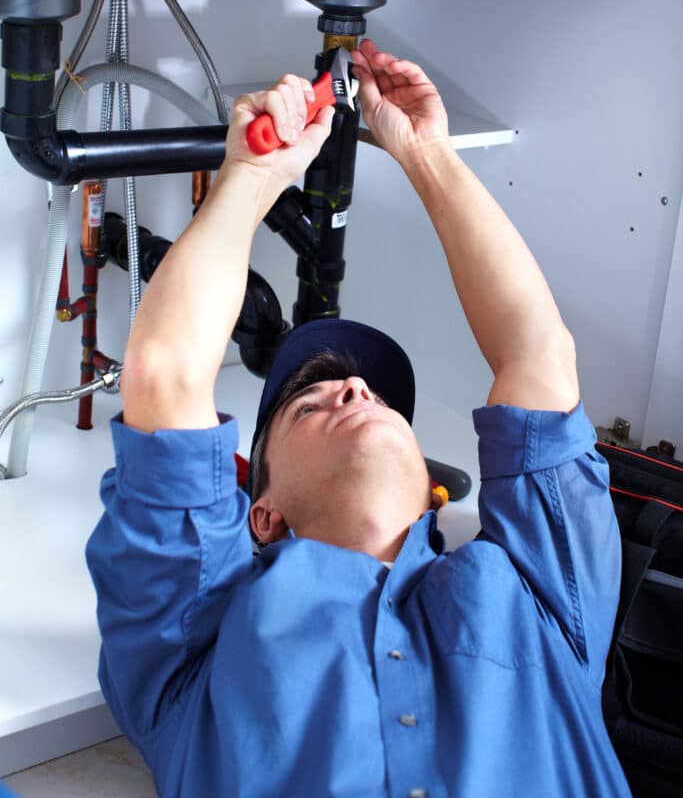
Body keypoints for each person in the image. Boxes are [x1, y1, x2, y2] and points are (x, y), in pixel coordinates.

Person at [86, 39, 630, 797]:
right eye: (310, 403)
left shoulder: (538, 587)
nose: (352, 391)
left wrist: (425, 154)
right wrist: (251, 177)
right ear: (263, 517)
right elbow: (162, 376)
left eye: (370, 397)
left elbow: (539, 354)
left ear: (432, 493)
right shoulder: (197, 633)